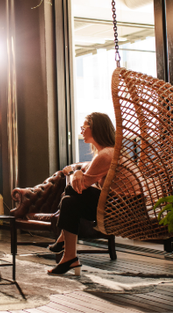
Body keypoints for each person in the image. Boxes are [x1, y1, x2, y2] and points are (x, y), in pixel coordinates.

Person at [47, 112, 115, 276]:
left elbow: (80, 186)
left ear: (96, 129)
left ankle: (65, 245)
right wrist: (77, 172)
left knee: (71, 193)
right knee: (69, 202)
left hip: (118, 208)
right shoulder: (107, 152)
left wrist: (74, 173)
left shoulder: (106, 155)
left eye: (84, 127)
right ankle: (69, 257)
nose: (81, 131)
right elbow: (83, 175)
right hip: (115, 204)